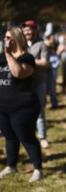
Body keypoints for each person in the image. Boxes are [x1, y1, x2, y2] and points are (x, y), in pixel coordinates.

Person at [0, 26, 43, 182]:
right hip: (3, 107)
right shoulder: (2, 58)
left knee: (26, 137)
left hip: (24, 107)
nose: (6, 40)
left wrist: (8, 54)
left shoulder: (27, 58)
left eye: (9, 37)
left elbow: (18, 73)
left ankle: (38, 168)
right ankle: (11, 165)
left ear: (17, 39)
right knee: (10, 137)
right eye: (5, 37)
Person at [22, 20, 49, 149]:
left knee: (39, 111)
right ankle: (28, 137)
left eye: (29, 29)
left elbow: (45, 63)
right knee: (25, 111)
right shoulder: (20, 45)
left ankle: (42, 137)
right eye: (25, 29)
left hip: (38, 82)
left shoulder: (41, 44)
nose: (27, 32)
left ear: (35, 30)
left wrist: (29, 60)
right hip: (23, 83)